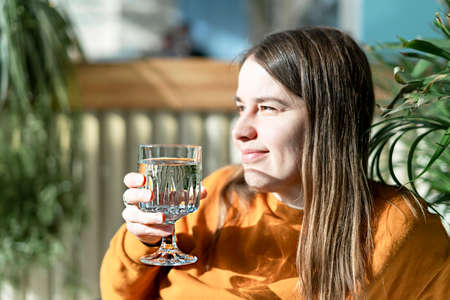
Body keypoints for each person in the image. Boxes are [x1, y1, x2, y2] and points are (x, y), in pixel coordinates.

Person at [100, 27, 450, 300]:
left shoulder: (398, 230)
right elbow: (118, 293)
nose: (240, 130)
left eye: (268, 108)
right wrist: (143, 240)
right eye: (241, 108)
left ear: (330, 120)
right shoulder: (216, 195)